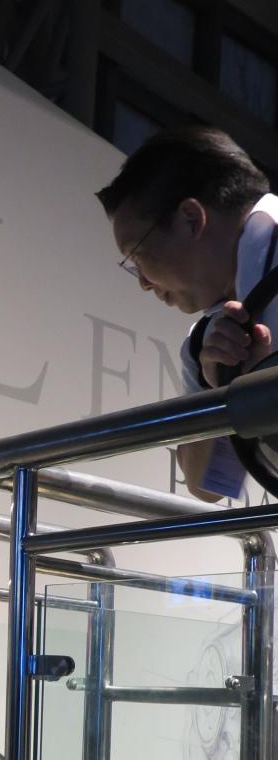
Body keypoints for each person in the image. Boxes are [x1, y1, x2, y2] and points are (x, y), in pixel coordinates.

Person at [97, 125, 278, 501]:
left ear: (191, 219)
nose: (143, 283)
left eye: (138, 256)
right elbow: (207, 486)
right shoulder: (206, 340)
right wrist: (225, 389)